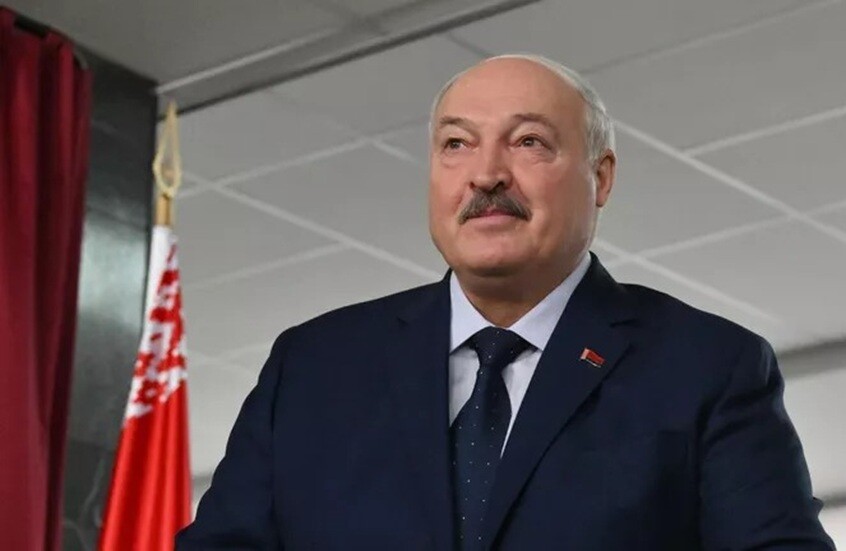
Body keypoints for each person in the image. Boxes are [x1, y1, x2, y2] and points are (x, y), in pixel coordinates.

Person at [176, 54, 834, 550]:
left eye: (528, 142)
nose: (486, 174)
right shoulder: (313, 369)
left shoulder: (708, 367)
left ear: (601, 177)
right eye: (456, 144)